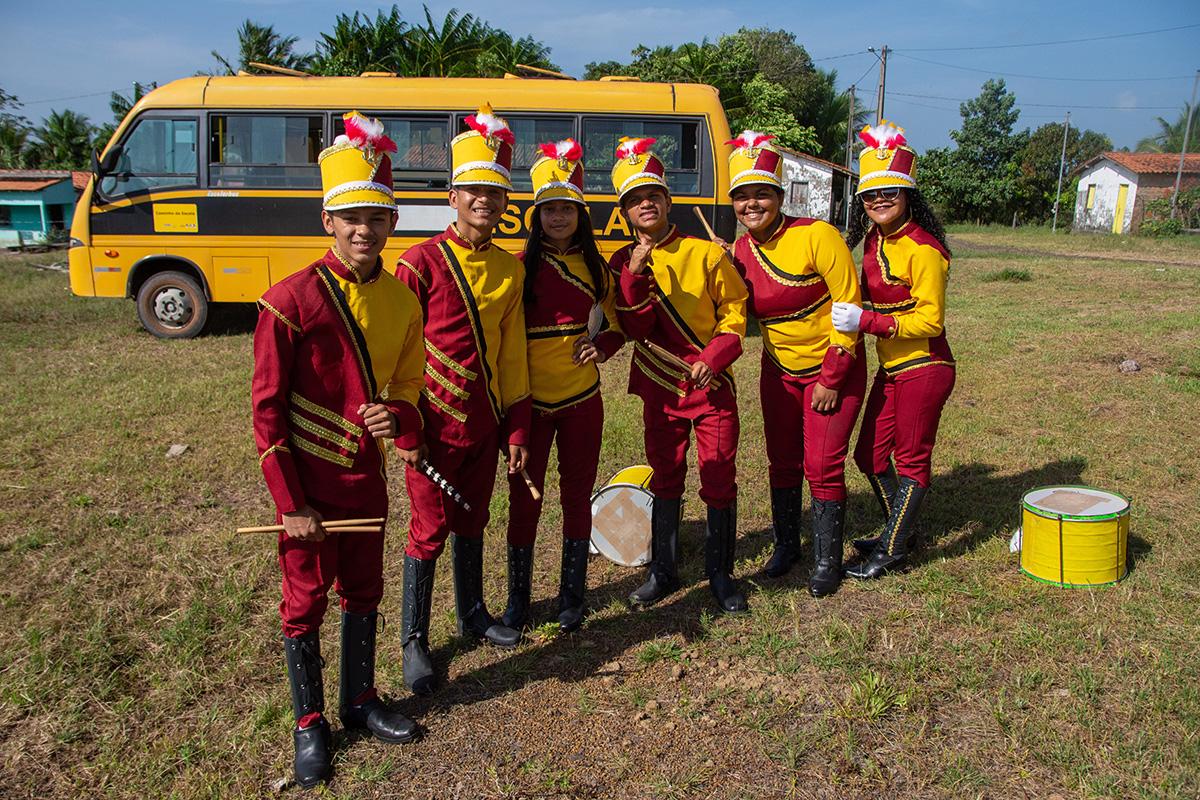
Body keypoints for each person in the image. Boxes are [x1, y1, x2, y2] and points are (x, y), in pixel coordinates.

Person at [251, 112, 425, 789]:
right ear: (328, 221)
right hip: (306, 484)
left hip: (364, 478)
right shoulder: (286, 301)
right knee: (304, 601)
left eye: (376, 218)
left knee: (364, 589)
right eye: (350, 216)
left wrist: (400, 412)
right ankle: (309, 723)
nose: (363, 230)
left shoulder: (402, 302)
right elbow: (267, 416)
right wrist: (290, 505)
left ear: (391, 224)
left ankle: (358, 701)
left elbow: (409, 380)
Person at [394, 104, 531, 695]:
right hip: (428, 426)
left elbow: (512, 354)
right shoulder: (417, 263)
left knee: (474, 517)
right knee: (428, 529)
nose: (483, 200)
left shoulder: (510, 269)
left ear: (505, 204)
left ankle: (472, 613)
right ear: (452, 197)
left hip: (484, 423)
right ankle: (414, 640)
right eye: (472, 190)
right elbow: (392, 356)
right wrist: (404, 431)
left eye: (494, 193)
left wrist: (517, 428)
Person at [609, 136, 750, 614]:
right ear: (624, 211)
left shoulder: (705, 253)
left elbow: (735, 314)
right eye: (633, 199)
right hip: (659, 382)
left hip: (709, 383)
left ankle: (720, 573)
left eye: (652, 195)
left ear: (668, 201)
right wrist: (633, 274)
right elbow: (634, 327)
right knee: (665, 476)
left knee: (718, 474)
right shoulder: (622, 261)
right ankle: (663, 571)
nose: (644, 204)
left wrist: (714, 356)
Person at [724, 131, 866, 597]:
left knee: (822, 464)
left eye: (761, 194)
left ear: (779, 196)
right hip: (777, 370)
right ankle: (788, 545)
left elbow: (849, 306)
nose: (752, 205)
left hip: (831, 369)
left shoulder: (818, 235)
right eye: (742, 197)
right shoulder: (740, 251)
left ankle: (828, 559)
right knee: (781, 462)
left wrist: (832, 376)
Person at [503, 139, 626, 633]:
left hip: (582, 401)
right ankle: (518, 601)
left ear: (581, 213)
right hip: (528, 404)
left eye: (566, 209)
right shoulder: (517, 266)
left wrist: (604, 348)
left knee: (576, 496)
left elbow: (614, 326)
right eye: (548, 209)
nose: (557, 217)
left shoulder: (597, 267)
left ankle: (572, 596)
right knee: (523, 499)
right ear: (536, 216)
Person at [831, 121, 956, 580]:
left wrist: (868, 321)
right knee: (868, 455)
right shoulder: (873, 240)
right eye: (870, 195)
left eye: (890, 193)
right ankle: (899, 531)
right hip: (893, 369)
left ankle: (894, 548)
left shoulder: (925, 250)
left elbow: (931, 321)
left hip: (925, 366)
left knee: (912, 460)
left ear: (908, 196)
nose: (879, 201)